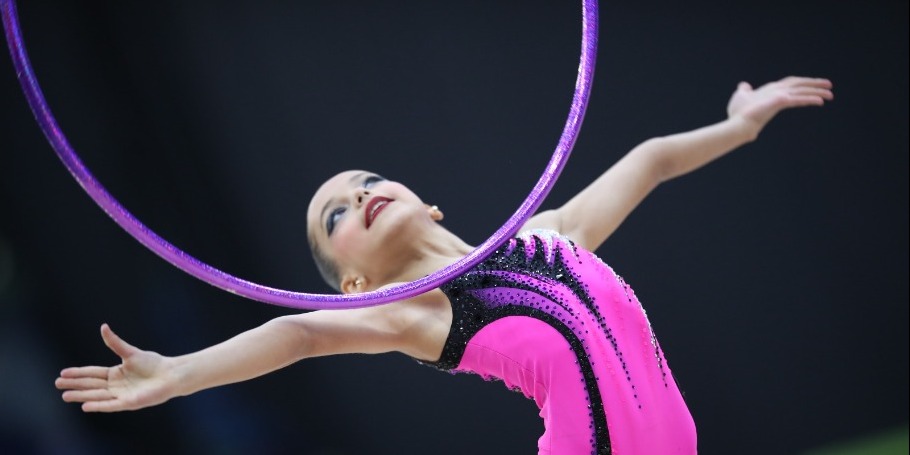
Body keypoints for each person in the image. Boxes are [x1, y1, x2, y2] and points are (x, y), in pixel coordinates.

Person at [55, 76, 833, 454]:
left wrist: (740, 125)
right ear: (355, 284)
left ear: (425, 202)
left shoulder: (555, 234)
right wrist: (177, 372)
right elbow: (297, 333)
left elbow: (651, 158)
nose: (359, 197)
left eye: (367, 181)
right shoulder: (422, 315)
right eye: (336, 215)